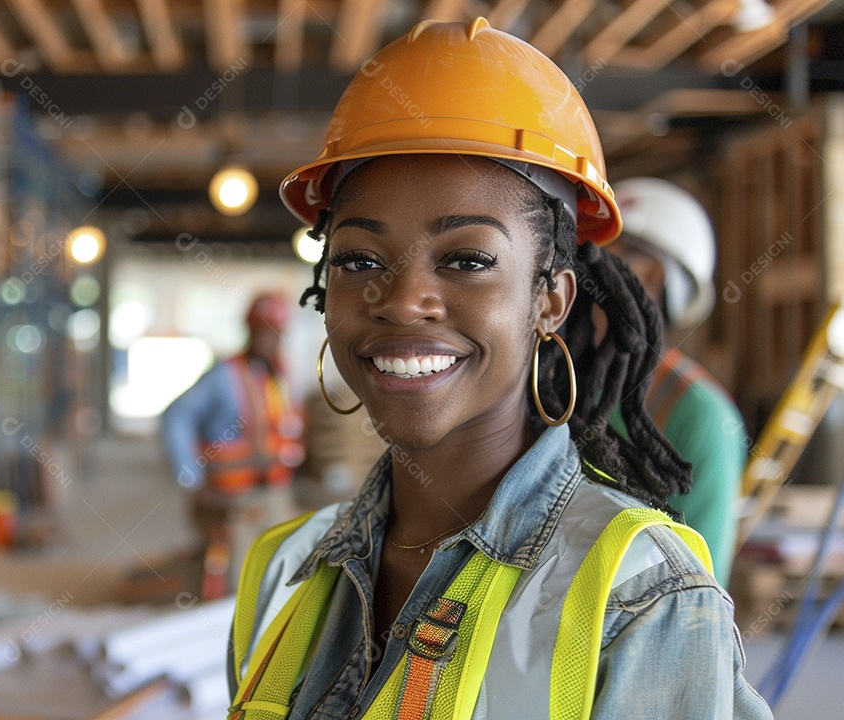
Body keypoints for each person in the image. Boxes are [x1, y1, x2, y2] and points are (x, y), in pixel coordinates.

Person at [226, 18, 771, 719]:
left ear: (550, 299)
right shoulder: (283, 570)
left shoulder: (641, 599)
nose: (400, 301)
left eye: (466, 260)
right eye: (358, 260)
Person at [607, 177, 747, 585]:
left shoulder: (699, 415)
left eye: (598, 253)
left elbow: (697, 592)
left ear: (649, 277)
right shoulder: (551, 379)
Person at [161, 292, 303, 594]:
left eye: (275, 333)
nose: (269, 341)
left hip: (274, 494)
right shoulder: (224, 376)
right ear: (249, 331)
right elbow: (176, 416)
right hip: (235, 500)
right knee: (238, 583)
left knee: (284, 574)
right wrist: (190, 477)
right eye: (262, 332)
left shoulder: (279, 377)